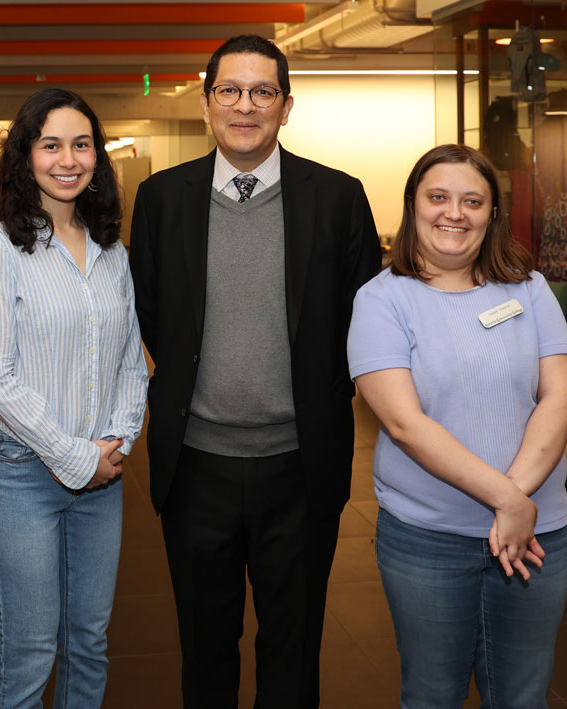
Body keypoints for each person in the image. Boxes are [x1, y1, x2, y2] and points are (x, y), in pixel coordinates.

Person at [129, 34, 382, 707]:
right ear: (208, 102)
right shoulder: (161, 199)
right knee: (203, 648)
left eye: (262, 92)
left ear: (285, 105)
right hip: (195, 467)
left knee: (292, 648)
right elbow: (153, 315)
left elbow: (361, 319)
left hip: (300, 465)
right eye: (230, 91)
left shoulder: (336, 197)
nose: (245, 106)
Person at [348, 144, 567, 707]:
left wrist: (514, 502)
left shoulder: (530, 288)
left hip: (538, 535)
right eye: (439, 197)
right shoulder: (381, 301)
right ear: (413, 205)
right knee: (432, 695)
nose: (455, 213)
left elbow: (560, 399)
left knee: (523, 695)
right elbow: (404, 424)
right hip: (429, 540)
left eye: (473, 201)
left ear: (491, 214)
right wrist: (509, 499)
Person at [0, 87, 148, 708]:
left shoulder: (112, 253)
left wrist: (118, 438)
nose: (67, 159)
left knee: (89, 643)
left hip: (103, 473)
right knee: (29, 649)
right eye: (50, 145)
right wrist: (75, 456)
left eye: (81, 144)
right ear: (25, 157)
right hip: (22, 475)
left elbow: (130, 358)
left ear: (97, 156)